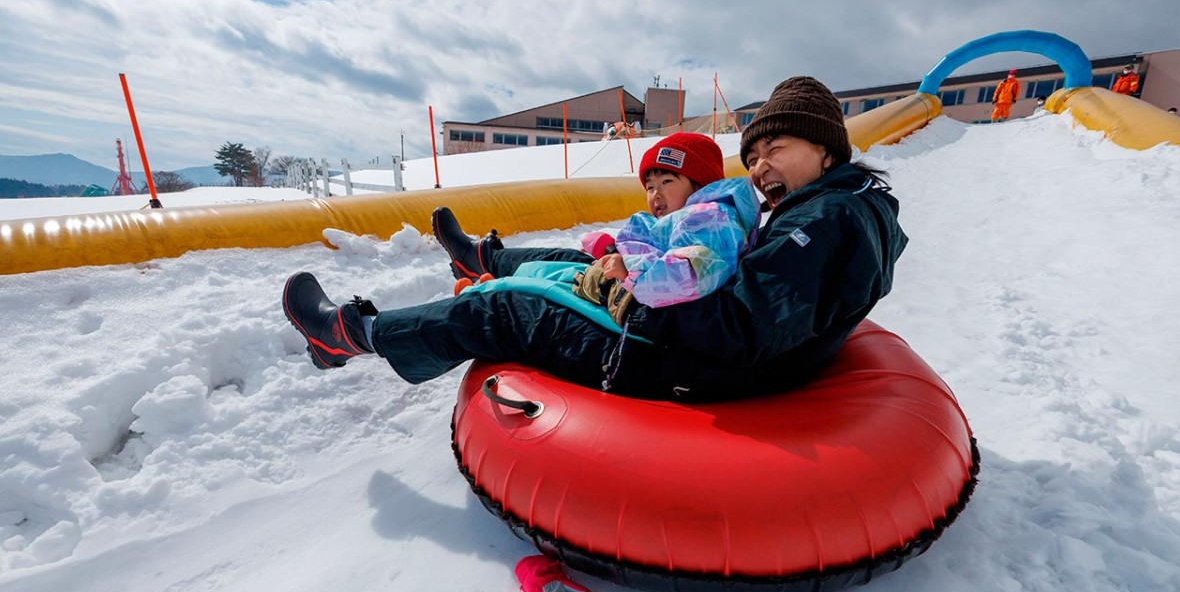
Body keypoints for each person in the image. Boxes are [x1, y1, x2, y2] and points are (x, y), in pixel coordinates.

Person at [282, 75, 908, 401]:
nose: (763, 166)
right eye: (755, 154)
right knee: (575, 259)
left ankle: (346, 334)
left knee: (501, 310)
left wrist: (633, 299)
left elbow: (742, 330)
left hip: (687, 365)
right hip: (707, 349)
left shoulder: (822, 224)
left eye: (777, 148)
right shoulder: (841, 208)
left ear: (826, 150)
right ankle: (484, 255)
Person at [451, 132, 760, 324]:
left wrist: (628, 265)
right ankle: (483, 265)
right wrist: (614, 249)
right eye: (649, 186)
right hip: (628, 284)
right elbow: (663, 249)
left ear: (700, 185)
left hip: (638, 301)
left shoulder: (713, 219)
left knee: (557, 280)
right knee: (560, 266)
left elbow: (689, 273)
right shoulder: (686, 219)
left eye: (667, 182)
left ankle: (485, 285)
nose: (656, 194)